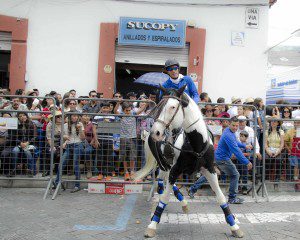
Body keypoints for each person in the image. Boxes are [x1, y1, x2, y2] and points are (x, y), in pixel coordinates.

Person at [215, 116, 253, 204]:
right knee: (235, 175)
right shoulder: (228, 134)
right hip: (223, 158)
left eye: (237, 126)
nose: (235, 128)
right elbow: (236, 151)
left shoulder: (230, 132)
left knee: (210, 175)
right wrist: (246, 162)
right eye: (233, 125)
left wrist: (244, 145)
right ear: (229, 124)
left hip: (220, 157)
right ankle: (232, 198)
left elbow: (235, 142)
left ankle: (192, 189)